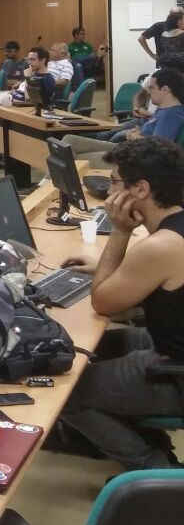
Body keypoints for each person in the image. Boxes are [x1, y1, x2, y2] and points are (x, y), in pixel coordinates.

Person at [59, 138, 184, 470]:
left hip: (174, 367)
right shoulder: (175, 229)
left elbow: (103, 302)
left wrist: (120, 231)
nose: (108, 191)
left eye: (114, 182)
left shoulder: (161, 247)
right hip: (169, 341)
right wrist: (108, 266)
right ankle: (151, 441)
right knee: (94, 349)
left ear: (140, 189)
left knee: (67, 393)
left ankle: (155, 471)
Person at [62, 67, 184, 158]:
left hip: (135, 160)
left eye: (151, 88)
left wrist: (136, 137)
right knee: (69, 140)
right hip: (128, 150)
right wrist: (138, 133)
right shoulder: (163, 110)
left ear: (165, 90)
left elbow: (158, 151)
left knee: (78, 157)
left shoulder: (171, 114)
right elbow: (153, 137)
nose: (148, 91)